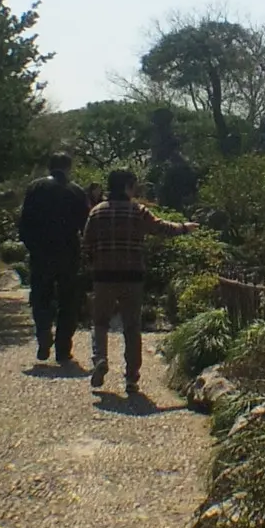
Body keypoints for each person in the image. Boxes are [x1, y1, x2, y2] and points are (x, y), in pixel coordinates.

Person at [83, 168, 199, 396]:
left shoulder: (97, 212)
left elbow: (86, 243)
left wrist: (94, 263)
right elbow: (160, 228)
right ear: (127, 186)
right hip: (132, 275)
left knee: (100, 322)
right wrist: (184, 228)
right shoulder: (137, 211)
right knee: (131, 327)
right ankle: (131, 379)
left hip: (104, 275)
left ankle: (100, 358)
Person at [16, 152, 91, 366]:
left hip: (41, 252)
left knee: (41, 295)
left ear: (49, 167)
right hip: (68, 252)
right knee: (69, 300)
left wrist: (31, 245)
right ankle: (63, 348)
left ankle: (43, 333)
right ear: (69, 167)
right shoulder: (76, 191)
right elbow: (85, 224)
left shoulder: (35, 188)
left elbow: (24, 221)